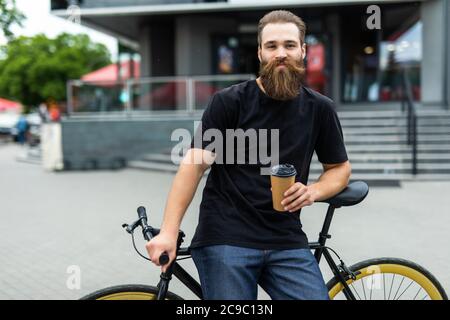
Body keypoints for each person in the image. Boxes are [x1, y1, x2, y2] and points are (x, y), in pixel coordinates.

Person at [146, 10, 351, 300]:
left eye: (290, 45)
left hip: (286, 239)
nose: (281, 53)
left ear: (303, 50)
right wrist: (169, 231)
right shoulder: (229, 102)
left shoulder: (320, 108)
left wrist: (314, 191)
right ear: (260, 53)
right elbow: (192, 166)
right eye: (272, 46)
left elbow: (340, 168)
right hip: (226, 237)